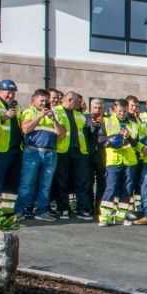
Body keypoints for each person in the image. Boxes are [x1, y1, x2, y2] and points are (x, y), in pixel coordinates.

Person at [15, 89, 66, 221]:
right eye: (41, 101)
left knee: (45, 185)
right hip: (32, 151)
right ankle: (21, 210)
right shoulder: (29, 112)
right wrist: (39, 116)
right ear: (34, 100)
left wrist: (53, 118)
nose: (44, 103)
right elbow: (25, 129)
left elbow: (62, 132)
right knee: (27, 182)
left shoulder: (55, 114)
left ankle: (42, 211)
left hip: (50, 153)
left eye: (46, 101)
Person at [97, 99, 141, 226]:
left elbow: (135, 143)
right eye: (120, 111)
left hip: (130, 161)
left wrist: (128, 137)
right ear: (115, 109)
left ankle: (121, 215)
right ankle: (105, 216)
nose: (122, 113)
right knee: (111, 187)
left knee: (127, 189)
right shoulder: (107, 121)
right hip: (114, 160)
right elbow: (100, 139)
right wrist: (113, 138)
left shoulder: (133, 123)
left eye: (124, 111)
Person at [51, 92, 94, 220]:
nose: (79, 105)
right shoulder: (56, 111)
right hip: (63, 150)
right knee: (62, 181)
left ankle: (83, 210)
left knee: (82, 181)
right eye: (77, 103)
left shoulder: (79, 115)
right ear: (69, 100)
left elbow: (85, 130)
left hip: (80, 151)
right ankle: (63, 208)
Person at [0, 80, 23, 211]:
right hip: (0, 150)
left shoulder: (16, 106)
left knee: (12, 184)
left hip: (16, 150)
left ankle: (7, 212)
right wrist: (4, 117)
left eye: (13, 93)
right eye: (8, 93)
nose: (11, 96)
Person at [85, 98, 106, 216]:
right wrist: (93, 126)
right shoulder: (85, 118)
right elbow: (84, 133)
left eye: (100, 108)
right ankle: (88, 207)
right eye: (95, 108)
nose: (97, 110)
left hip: (102, 154)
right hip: (88, 154)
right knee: (88, 181)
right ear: (90, 107)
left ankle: (99, 207)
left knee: (102, 181)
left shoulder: (107, 119)